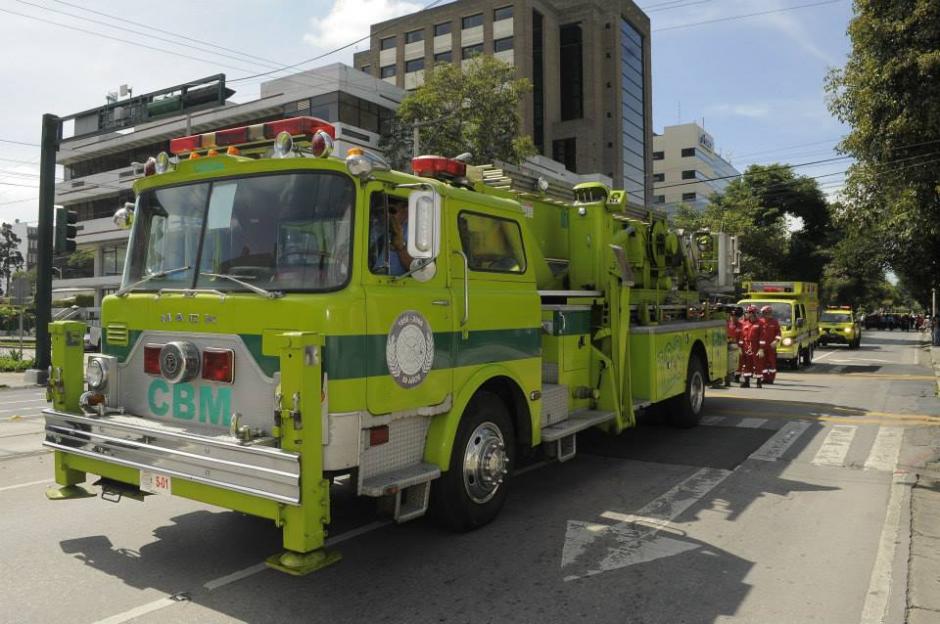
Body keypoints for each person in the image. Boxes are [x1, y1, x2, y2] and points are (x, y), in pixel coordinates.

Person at [740, 305, 765, 388]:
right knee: (747, 364)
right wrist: (740, 347)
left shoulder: (760, 323)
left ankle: (759, 382)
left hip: (756, 346)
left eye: (752, 313)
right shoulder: (745, 323)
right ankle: (747, 382)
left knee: (758, 364)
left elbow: (762, 337)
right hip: (747, 345)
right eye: (749, 313)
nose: (750, 315)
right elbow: (742, 336)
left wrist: (761, 349)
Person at [759, 305, 782, 384]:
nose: (768, 314)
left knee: (772, 363)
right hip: (762, 346)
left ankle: (771, 379)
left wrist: (776, 341)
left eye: (769, 312)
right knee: (762, 362)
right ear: (763, 313)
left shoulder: (774, 322)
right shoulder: (760, 321)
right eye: (766, 313)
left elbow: (778, 333)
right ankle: (765, 378)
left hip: (771, 347)